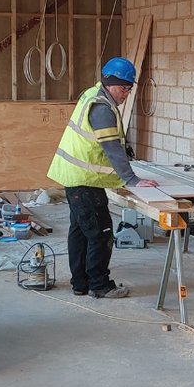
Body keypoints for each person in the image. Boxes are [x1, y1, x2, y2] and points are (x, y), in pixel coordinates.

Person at [47, 57, 157, 298]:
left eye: (129, 89)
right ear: (112, 84)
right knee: (101, 232)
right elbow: (111, 148)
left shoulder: (93, 94)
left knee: (80, 230)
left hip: (76, 177)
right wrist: (131, 180)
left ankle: (80, 283)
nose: (126, 94)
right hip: (85, 180)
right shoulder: (102, 108)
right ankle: (99, 285)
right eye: (124, 89)